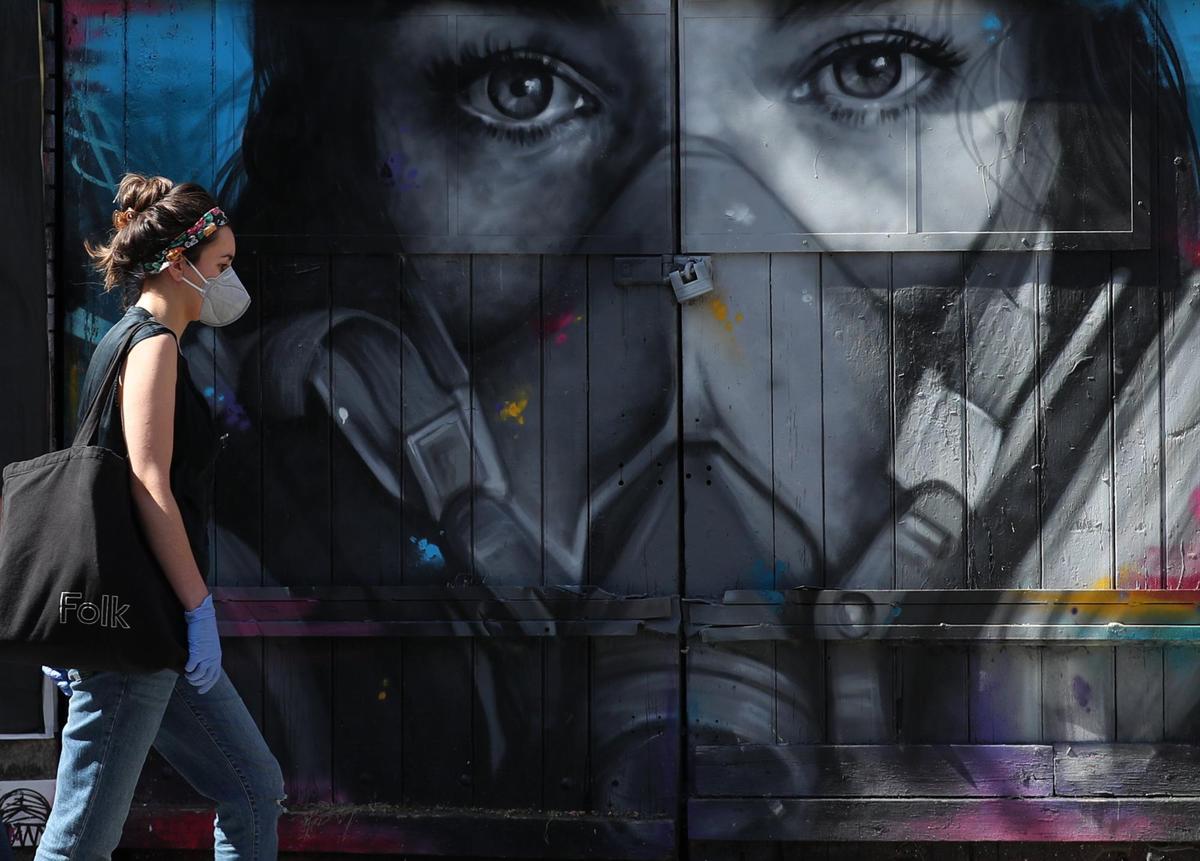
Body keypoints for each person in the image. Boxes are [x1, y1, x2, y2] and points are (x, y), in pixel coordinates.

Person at [33, 173, 286, 861]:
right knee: (80, 839)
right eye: (223, 265)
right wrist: (200, 606)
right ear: (181, 264)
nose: (231, 282)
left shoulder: (126, 342)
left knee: (253, 785)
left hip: (148, 634)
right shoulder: (152, 346)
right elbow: (149, 484)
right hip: (133, 637)